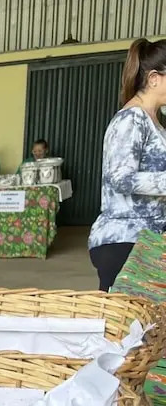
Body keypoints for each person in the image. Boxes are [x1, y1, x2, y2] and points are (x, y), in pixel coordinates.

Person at [89, 38, 166, 291]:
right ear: (154, 78)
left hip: (150, 240)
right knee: (124, 317)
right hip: (125, 241)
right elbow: (120, 178)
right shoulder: (131, 119)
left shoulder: (156, 123)